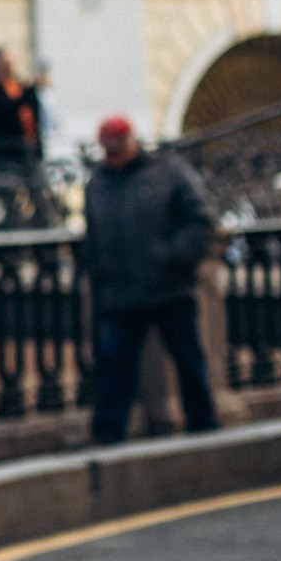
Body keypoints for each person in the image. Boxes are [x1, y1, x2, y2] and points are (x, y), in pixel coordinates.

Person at [84, 114, 219, 445]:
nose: (113, 157)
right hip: (121, 294)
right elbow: (93, 238)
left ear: (133, 142)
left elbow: (202, 221)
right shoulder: (97, 183)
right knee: (115, 367)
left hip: (170, 287)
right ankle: (108, 433)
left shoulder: (169, 173)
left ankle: (203, 425)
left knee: (189, 360)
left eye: (118, 149)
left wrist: (173, 256)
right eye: (108, 151)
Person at [0, 47, 53, 225]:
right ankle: (13, 225)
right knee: (9, 194)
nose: (10, 67)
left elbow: (33, 111)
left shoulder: (17, 85)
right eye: (5, 63)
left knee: (38, 191)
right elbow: (4, 109)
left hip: (28, 147)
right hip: (7, 149)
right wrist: (30, 90)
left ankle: (43, 225)